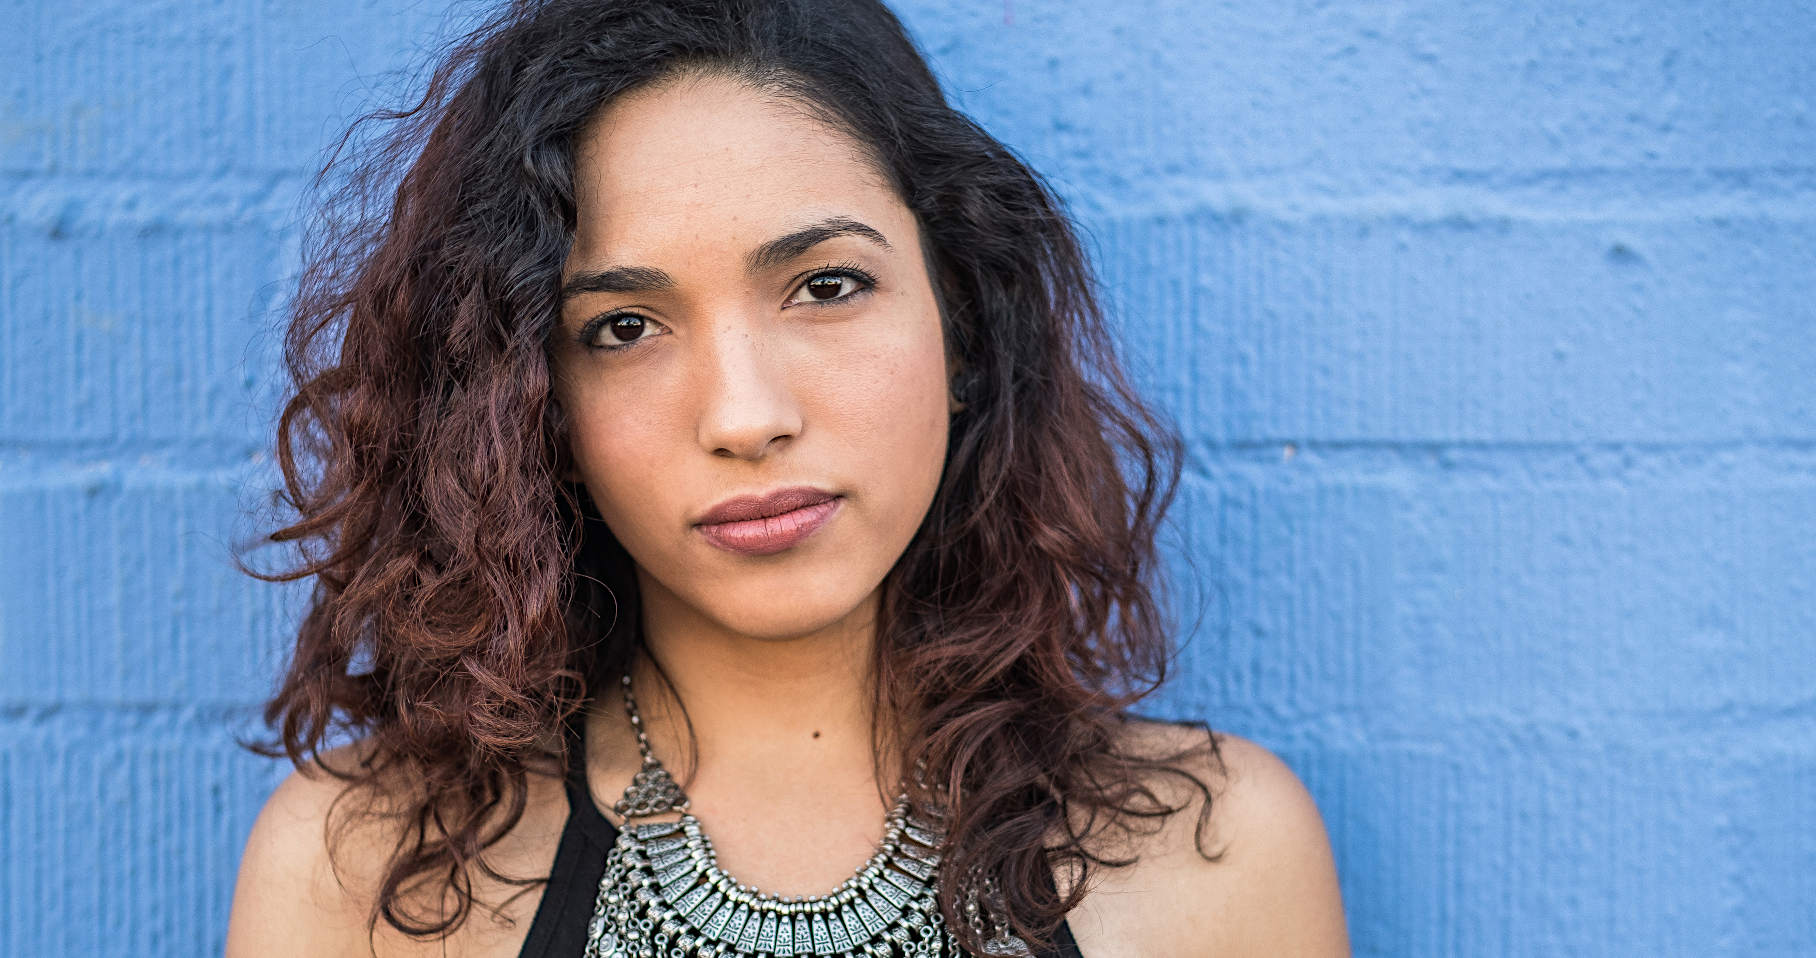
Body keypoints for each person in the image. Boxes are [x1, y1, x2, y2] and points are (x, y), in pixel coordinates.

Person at [224, 1, 1350, 955]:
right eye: (624, 326)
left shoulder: (1214, 859)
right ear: (529, 403)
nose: (746, 416)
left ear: (960, 319)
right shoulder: (367, 874)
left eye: (825, 287)